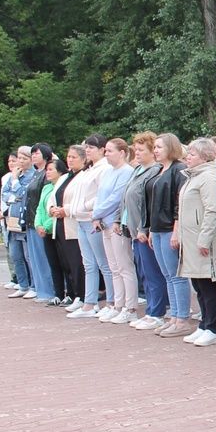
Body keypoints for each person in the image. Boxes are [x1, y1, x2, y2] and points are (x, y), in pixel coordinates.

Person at [177, 137, 216, 347]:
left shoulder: (208, 177)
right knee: (198, 283)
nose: (188, 157)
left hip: (203, 239)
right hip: (191, 239)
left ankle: (213, 328)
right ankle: (204, 324)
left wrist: (204, 239)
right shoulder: (193, 176)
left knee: (207, 284)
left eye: (193, 154)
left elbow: (212, 209)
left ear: (205, 156)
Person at [147, 134, 194, 337]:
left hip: (169, 228)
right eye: (154, 147)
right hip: (157, 228)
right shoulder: (159, 170)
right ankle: (174, 315)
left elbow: (179, 203)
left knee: (176, 275)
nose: (155, 150)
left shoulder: (179, 170)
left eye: (159, 147)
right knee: (167, 274)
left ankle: (182, 318)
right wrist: (149, 228)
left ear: (171, 148)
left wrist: (176, 230)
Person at [124, 132, 170, 331]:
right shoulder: (138, 170)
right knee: (144, 271)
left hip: (146, 230)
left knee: (153, 272)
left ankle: (157, 311)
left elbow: (147, 203)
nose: (137, 153)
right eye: (136, 149)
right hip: (135, 228)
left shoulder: (154, 171)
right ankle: (152, 309)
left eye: (142, 150)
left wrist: (145, 227)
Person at [69, 135, 116, 319]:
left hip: (92, 218)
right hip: (81, 219)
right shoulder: (88, 169)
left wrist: (88, 207)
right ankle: (90, 302)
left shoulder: (103, 169)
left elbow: (102, 194)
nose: (87, 150)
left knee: (104, 263)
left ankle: (111, 301)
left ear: (102, 149)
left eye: (91, 147)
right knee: (89, 264)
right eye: (86, 147)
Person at [95, 138, 138, 324]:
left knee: (125, 266)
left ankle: (131, 307)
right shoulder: (107, 172)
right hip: (104, 223)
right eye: (106, 151)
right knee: (113, 268)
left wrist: (95, 213)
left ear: (122, 152)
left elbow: (116, 198)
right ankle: (117, 305)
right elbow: (100, 195)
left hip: (116, 224)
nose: (106, 154)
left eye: (110, 151)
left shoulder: (126, 172)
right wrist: (96, 216)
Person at [58, 146, 92, 314]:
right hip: (61, 222)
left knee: (79, 262)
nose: (69, 160)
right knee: (67, 262)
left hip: (74, 221)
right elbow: (56, 194)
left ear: (83, 159)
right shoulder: (65, 176)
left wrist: (67, 209)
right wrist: (52, 208)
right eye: (68, 156)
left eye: (73, 157)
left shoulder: (84, 176)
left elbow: (83, 198)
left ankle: (83, 295)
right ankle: (73, 293)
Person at [22, 143, 56, 301]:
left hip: (41, 221)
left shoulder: (46, 174)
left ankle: (49, 291)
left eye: (37, 153)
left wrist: (43, 222)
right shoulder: (36, 174)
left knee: (43, 258)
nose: (34, 156)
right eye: (32, 153)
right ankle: (40, 289)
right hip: (31, 220)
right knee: (34, 258)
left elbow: (46, 201)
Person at [33, 158, 67, 304]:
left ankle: (69, 293)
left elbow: (55, 210)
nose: (48, 172)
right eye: (47, 170)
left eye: (51, 169)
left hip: (56, 229)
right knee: (53, 263)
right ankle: (58, 294)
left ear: (60, 171)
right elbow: (41, 208)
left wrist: (46, 226)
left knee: (64, 263)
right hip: (45, 231)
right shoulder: (47, 188)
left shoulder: (62, 187)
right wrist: (38, 225)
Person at [3, 147, 34, 297]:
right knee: (15, 255)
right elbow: (5, 195)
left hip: (24, 219)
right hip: (12, 219)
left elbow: (23, 193)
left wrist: (15, 184)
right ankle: (23, 285)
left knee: (28, 256)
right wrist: (15, 196)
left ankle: (34, 286)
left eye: (24, 159)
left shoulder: (32, 176)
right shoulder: (13, 176)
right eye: (19, 158)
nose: (20, 162)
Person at [0, 152, 22, 289]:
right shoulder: (5, 178)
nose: (11, 163)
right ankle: (13, 276)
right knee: (9, 249)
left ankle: (20, 278)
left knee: (17, 250)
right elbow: (3, 197)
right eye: (9, 161)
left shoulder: (20, 177)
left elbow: (16, 197)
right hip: (4, 218)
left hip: (13, 216)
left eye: (14, 160)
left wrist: (5, 212)